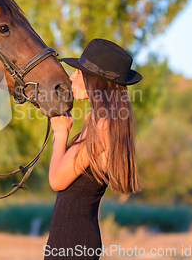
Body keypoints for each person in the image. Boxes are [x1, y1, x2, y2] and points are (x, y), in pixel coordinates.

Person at [44, 39, 143, 260]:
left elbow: (57, 181)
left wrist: (60, 134)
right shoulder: (99, 121)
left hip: (74, 239)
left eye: (79, 73)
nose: (71, 77)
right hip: (72, 236)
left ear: (95, 80)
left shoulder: (102, 126)